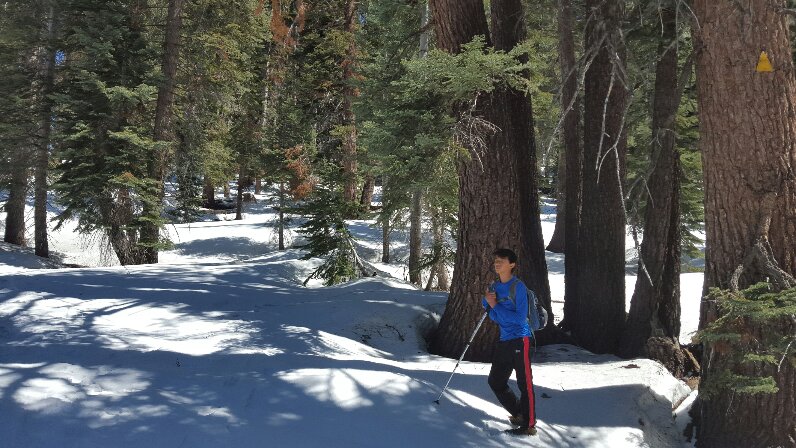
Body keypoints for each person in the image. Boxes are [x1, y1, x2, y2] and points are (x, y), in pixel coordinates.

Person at [482, 248, 537, 436]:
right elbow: (492, 315)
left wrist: (495, 306)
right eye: (496, 260)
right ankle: (519, 414)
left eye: (502, 260)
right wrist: (489, 303)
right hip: (505, 340)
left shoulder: (518, 287)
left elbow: (520, 319)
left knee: (524, 384)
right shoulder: (495, 286)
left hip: (521, 339)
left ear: (512, 264)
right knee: (496, 381)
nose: (497, 263)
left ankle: (529, 425)